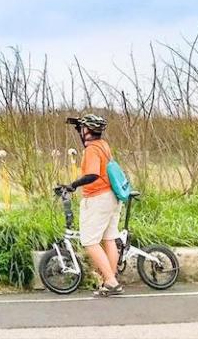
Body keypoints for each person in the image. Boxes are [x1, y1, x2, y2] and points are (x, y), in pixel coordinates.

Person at [59, 114, 123, 297]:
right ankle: (111, 280)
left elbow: (93, 174)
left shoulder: (92, 150)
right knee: (109, 238)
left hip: (98, 198)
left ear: (87, 130)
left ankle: (110, 281)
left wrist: (73, 185)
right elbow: (98, 162)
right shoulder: (103, 145)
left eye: (82, 128)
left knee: (90, 241)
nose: (80, 131)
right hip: (111, 197)